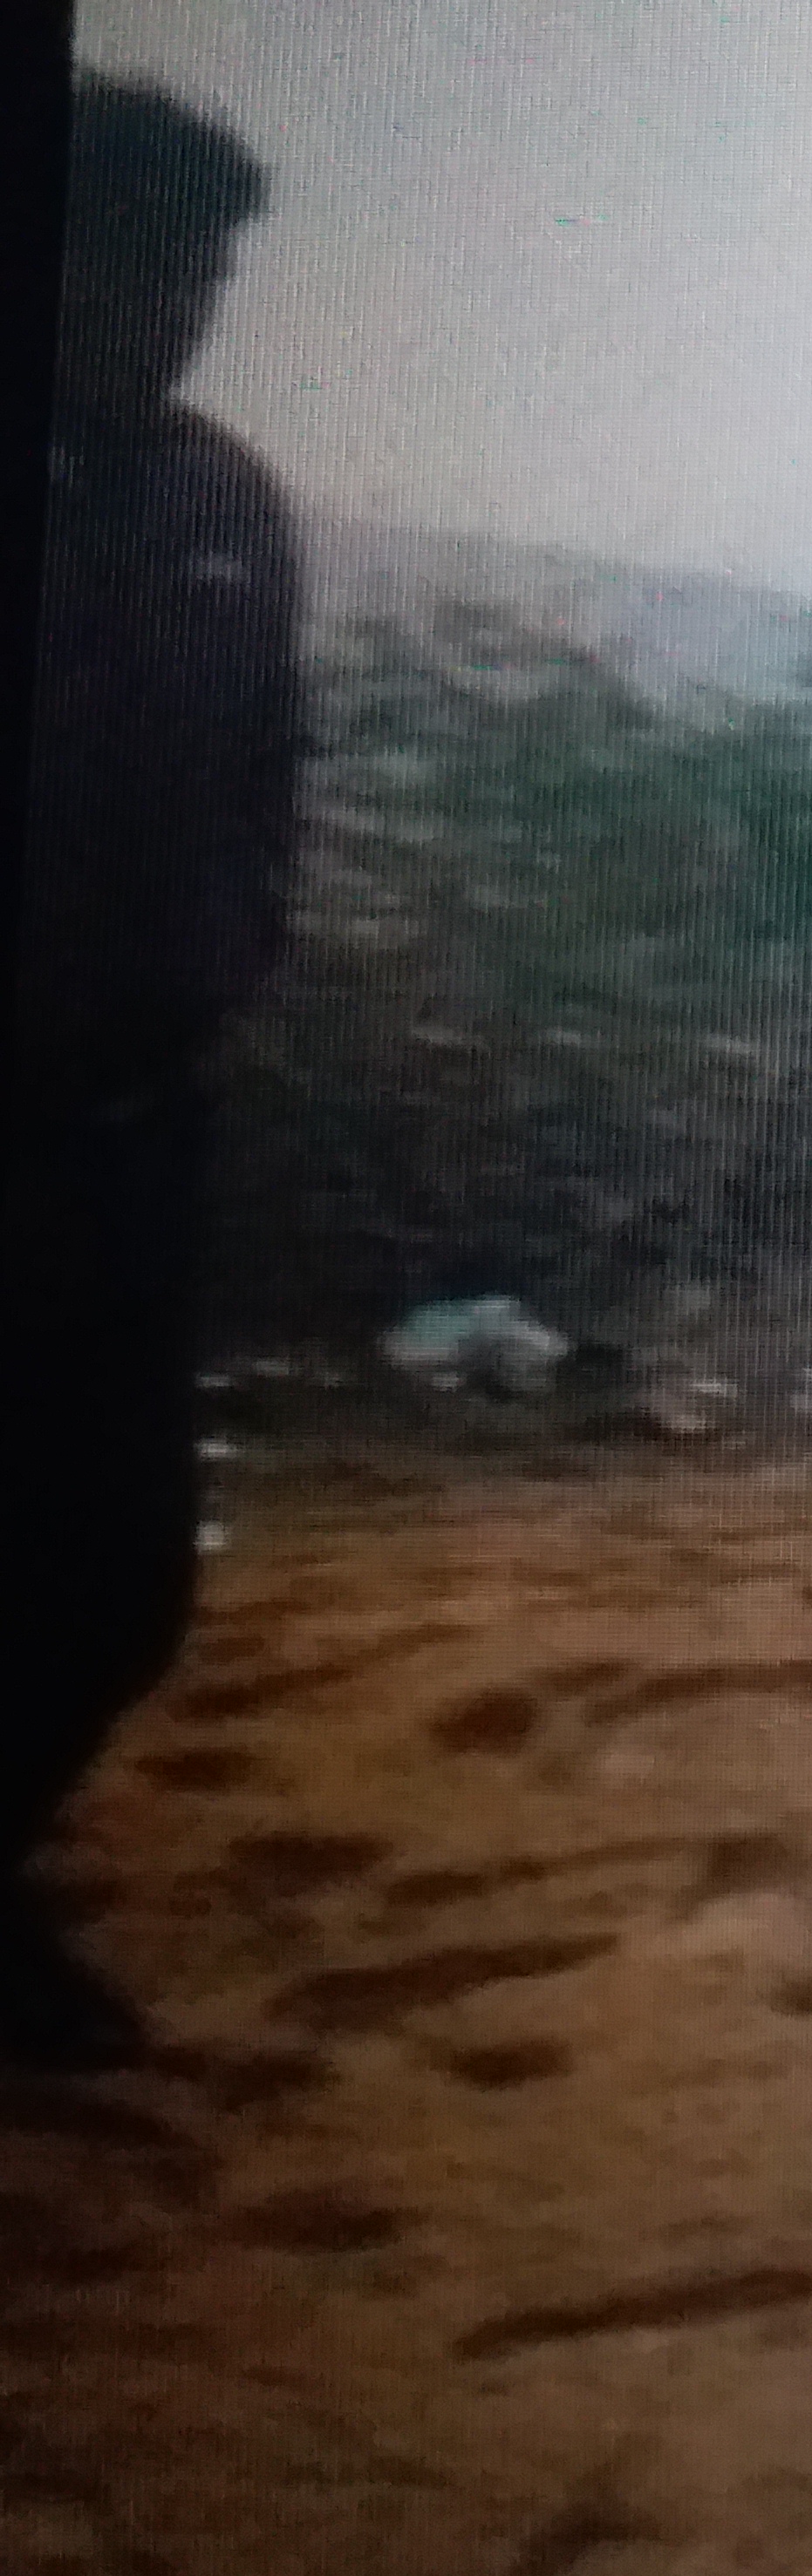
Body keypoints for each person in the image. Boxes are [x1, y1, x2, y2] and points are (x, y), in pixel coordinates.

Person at [4, 77, 305, 2071]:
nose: (182, 306)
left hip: (130, 1121)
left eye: (204, 271)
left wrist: (226, 963)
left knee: (115, 1572)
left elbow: (270, 767)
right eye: (144, 260)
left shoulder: (218, 502)